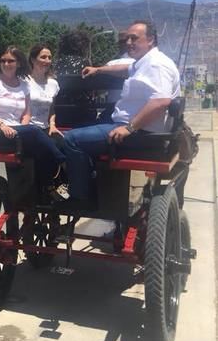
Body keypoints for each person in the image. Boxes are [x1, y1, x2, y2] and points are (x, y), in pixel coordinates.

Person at [63, 20, 181, 205]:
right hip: (135, 126)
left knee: (70, 139)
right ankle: (94, 179)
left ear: (150, 39)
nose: (128, 42)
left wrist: (129, 128)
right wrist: (99, 69)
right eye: (127, 39)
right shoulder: (144, 62)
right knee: (86, 129)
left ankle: (81, 196)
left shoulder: (156, 65)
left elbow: (160, 102)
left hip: (140, 132)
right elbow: (125, 69)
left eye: (134, 38)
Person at [0, 46, 65, 188]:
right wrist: (2, 125)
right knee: (35, 131)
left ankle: (43, 188)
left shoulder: (23, 85)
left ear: (18, 63)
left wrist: (25, 127)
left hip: (16, 129)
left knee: (47, 146)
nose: (6, 64)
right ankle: (63, 161)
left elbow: (27, 113)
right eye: (3, 61)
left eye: (11, 61)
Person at [27, 44, 62, 137]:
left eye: (49, 58)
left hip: (46, 128)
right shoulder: (23, 81)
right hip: (28, 128)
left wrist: (52, 125)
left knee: (63, 143)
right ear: (33, 60)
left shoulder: (53, 84)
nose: (47, 61)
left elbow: (51, 109)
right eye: (43, 57)